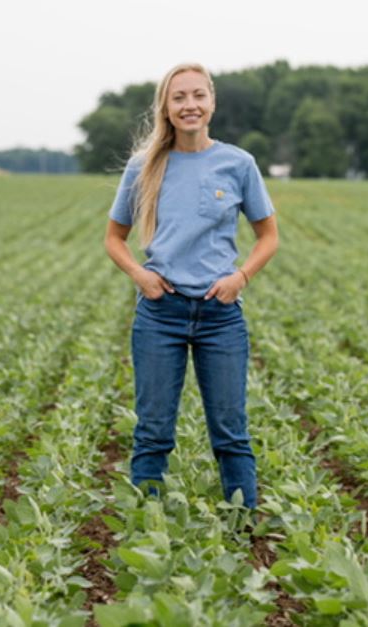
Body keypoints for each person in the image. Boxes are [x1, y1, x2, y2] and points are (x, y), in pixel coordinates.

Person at [103, 62, 279, 509]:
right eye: (179, 97)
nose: (190, 105)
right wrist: (140, 275)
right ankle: (149, 527)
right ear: (165, 106)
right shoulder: (144, 167)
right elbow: (114, 239)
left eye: (198, 95)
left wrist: (240, 278)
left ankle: (242, 529)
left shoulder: (239, 164)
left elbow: (269, 236)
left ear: (212, 102)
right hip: (160, 313)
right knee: (153, 431)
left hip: (220, 316)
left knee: (230, 431)